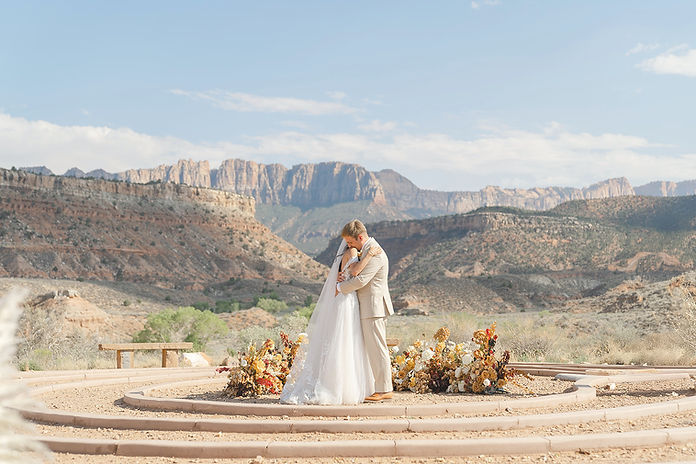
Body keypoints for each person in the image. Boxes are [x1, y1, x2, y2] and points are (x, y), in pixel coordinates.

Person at [279, 230, 383, 405]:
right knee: (344, 341)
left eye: (350, 241)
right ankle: (338, 388)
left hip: (347, 297)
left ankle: (341, 385)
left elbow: (345, 275)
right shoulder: (352, 252)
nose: (349, 244)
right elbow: (356, 272)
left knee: (344, 341)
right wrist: (369, 256)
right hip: (347, 299)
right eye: (348, 241)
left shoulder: (347, 253)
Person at [336, 220, 394, 402]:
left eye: (351, 243)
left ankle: (384, 390)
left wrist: (339, 287)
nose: (350, 246)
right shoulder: (367, 250)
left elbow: (361, 281)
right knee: (373, 348)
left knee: (378, 348)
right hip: (368, 306)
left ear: (360, 237)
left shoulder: (374, 252)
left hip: (374, 307)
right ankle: (378, 387)